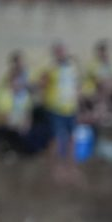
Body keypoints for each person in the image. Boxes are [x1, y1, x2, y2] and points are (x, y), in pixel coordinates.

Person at [38, 42, 80, 173]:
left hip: (70, 108)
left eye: (62, 51)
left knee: (72, 138)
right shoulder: (50, 68)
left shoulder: (73, 67)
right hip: (55, 108)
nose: (61, 54)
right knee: (55, 138)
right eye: (58, 52)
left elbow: (76, 85)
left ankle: (70, 165)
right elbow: (42, 84)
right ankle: (53, 167)